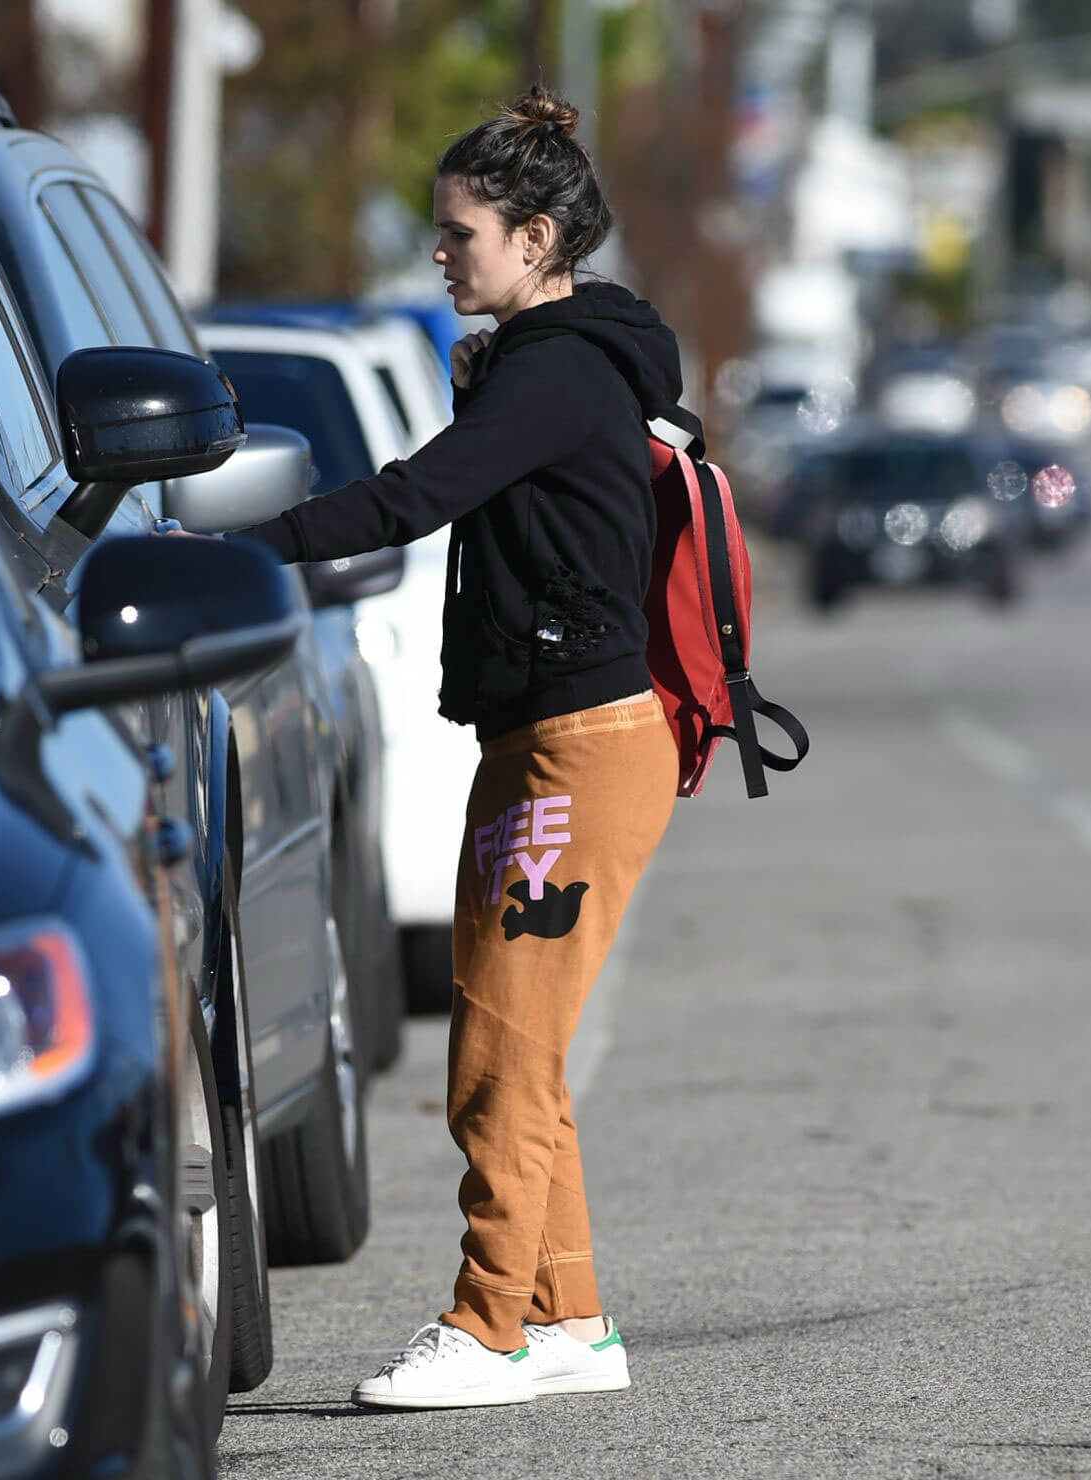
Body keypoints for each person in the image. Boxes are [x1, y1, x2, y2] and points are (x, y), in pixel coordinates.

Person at [222, 83, 690, 1410]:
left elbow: (410, 497)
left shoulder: (556, 374)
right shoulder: (544, 362)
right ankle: (567, 1319)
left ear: (534, 240)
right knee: (517, 1054)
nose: (440, 254)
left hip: (580, 750)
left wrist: (233, 553)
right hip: (537, 741)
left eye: (461, 232)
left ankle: (487, 1329)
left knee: (498, 1058)